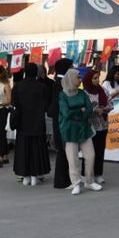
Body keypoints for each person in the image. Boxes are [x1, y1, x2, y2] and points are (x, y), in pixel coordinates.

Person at [59, 68, 101, 194]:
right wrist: (80, 111)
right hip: (70, 130)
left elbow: (88, 109)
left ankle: (89, 181)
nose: (80, 80)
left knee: (90, 155)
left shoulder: (82, 93)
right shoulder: (63, 95)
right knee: (73, 158)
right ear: (71, 79)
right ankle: (76, 183)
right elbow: (66, 113)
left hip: (84, 128)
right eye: (78, 77)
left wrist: (80, 112)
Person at [13, 63, 52, 186]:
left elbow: (15, 104)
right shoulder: (42, 87)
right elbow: (47, 105)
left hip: (23, 123)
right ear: (36, 72)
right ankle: (36, 175)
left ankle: (25, 176)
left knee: (24, 149)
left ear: (25, 72)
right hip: (38, 122)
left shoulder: (18, 86)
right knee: (37, 149)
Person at [83, 69, 112, 184]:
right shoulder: (84, 93)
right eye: (94, 78)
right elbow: (83, 108)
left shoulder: (103, 90)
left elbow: (110, 103)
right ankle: (86, 174)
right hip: (90, 126)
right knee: (89, 152)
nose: (97, 80)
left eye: (98, 77)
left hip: (103, 125)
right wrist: (94, 110)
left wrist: (105, 109)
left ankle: (98, 174)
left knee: (100, 151)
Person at [49, 58, 73, 189]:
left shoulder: (58, 81)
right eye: (71, 66)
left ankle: (65, 179)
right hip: (62, 121)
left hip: (59, 120)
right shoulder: (62, 82)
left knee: (64, 150)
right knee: (63, 150)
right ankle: (61, 181)